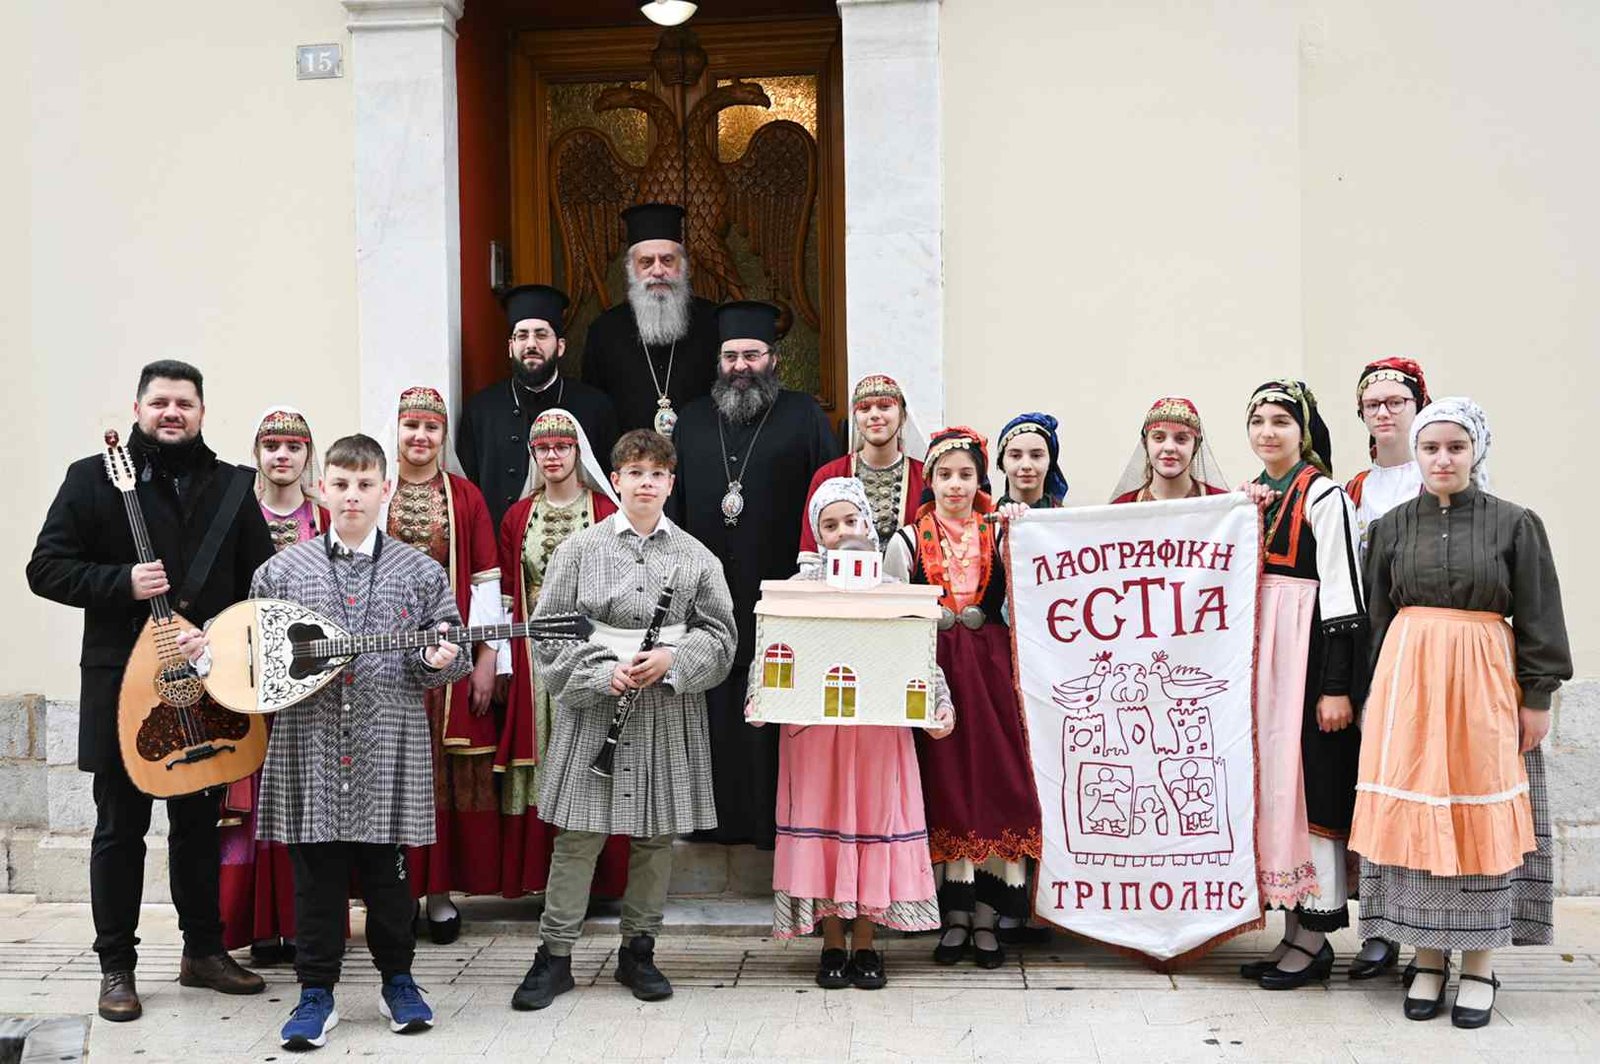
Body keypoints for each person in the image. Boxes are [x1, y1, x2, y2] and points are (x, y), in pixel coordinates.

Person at [187, 433, 472, 1050]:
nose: (352, 496)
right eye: (341, 484)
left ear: (385, 490)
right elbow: (250, 655)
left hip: (388, 746)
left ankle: (399, 983)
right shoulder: (279, 572)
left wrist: (440, 659)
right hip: (307, 746)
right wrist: (211, 656)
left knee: (390, 880)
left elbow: (453, 654)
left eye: (365, 485)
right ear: (322, 487)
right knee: (314, 881)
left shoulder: (421, 572)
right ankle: (316, 993)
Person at [26, 360, 273, 1022]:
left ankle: (204, 953)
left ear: (201, 412)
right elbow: (45, 568)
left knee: (198, 828)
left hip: (204, 680)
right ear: (137, 409)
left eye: (184, 403)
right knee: (119, 829)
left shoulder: (233, 487)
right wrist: (121, 583)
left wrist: (220, 638)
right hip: (123, 686)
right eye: (160, 401)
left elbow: (261, 584)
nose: (172, 412)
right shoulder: (91, 478)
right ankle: (117, 967)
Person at [1348, 398, 1570, 1028]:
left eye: (1455, 447)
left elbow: (1539, 612)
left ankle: (1478, 966)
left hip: (1484, 685)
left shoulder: (1515, 523)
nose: (1442, 459)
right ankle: (1426, 960)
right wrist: (1370, 696)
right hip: (1408, 686)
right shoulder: (1390, 526)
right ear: (1416, 454)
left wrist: (1537, 696)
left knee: (1478, 820)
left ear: (1476, 451)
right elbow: (1376, 618)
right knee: (1416, 816)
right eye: (1430, 448)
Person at [510, 429, 737, 1012]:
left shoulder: (697, 556)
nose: (645, 483)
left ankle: (639, 950)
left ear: (670, 483)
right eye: (634, 473)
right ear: (615, 480)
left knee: (654, 837)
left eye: (656, 474)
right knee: (578, 835)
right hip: (595, 706)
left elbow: (721, 637)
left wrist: (672, 659)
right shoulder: (577, 551)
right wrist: (598, 673)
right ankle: (554, 956)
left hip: (665, 706)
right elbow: (549, 631)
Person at [748, 477, 953, 989]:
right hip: (817, 739)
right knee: (826, 828)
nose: (842, 532)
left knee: (872, 828)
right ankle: (832, 942)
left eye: (850, 520)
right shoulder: (797, 591)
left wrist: (939, 704)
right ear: (817, 534)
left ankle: (865, 942)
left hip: (877, 736)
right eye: (830, 525)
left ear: (868, 523)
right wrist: (760, 696)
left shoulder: (893, 590)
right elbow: (772, 646)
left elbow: (919, 652)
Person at [670, 300, 841, 847]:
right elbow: (673, 511)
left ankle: (774, 825)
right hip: (707, 596)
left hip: (781, 591)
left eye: (752, 354)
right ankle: (709, 822)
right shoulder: (691, 420)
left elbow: (829, 502)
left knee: (774, 700)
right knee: (713, 702)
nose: (740, 365)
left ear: (773, 359)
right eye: (730, 356)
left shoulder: (804, 415)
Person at [884, 428, 1042, 970]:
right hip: (936, 671)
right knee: (946, 782)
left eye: (966, 475)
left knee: (995, 780)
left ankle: (988, 917)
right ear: (929, 479)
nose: (956, 484)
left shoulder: (1000, 531)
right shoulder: (906, 541)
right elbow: (893, 614)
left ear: (980, 480)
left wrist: (1022, 526)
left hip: (992, 671)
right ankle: (953, 914)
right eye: (945, 474)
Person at [1236, 380, 1368, 990]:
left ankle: (1315, 937)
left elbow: (1344, 597)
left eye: (1281, 422)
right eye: (1258, 421)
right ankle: (1293, 930)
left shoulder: (1324, 495)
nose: (1268, 432)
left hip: (1310, 658)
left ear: (1304, 431)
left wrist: (1336, 687)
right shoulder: (1257, 495)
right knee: (1279, 790)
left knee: (1312, 791)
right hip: (1270, 661)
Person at [385, 386, 505, 942]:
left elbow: (486, 581)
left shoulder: (465, 496)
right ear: (397, 429)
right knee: (390, 775)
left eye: (431, 427)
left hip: (448, 664)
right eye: (411, 425)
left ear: (443, 435)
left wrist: (487, 659)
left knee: (446, 778)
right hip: (385, 663)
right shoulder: (377, 490)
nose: (420, 436)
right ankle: (395, 894)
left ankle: (439, 895)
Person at [495, 408, 629, 900]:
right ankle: (541, 881)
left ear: (577, 451)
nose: (552, 455)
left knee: (592, 755)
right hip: (535, 659)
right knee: (543, 759)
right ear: (533, 454)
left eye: (562, 446)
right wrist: (503, 661)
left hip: (592, 653)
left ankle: (597, 884)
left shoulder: (607, 511)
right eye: (543, 448)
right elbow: (505, 597)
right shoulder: (517, 517)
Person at [218, 407, 333, 968]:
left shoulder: (327, 517)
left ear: (309, 454)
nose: (282, 455)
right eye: (271, 446)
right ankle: (260, 928)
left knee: (309, 796)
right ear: (257, 453)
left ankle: (307, 926)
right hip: (250, 679)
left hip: (314, 680)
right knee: (256, 800)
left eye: (293, 446)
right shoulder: (236, 515)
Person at [1342, 357, 1431, 981]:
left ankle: (1423, 926)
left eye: (1396, 401)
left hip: (1423, 646)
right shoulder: (1353, 489)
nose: (1384, 412)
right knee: (1371, 788)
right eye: (1373, 403)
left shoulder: (1438, 479)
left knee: (1417, 783)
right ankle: (1377, 926)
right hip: (1367, 647)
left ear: (1417, 406)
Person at [457, 283, 620, 527]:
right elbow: (467, 497)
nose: (531, 344)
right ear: (510, 347)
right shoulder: (480, 411)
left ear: (560, 346)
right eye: (522, 335)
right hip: (499, 545)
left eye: (541, 335)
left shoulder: (596, 407)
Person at [581, 203, 720, 437]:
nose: (657, 271)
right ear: (631, 269)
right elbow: (595, 416)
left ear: (684, 265)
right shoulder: (604, 332)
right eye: (646, 262)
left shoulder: (714, 322)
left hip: (703, 458)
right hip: (629, 459)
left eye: (667, 260)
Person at [796, 374, 926, 551]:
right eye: (864, 408)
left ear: (902, 416)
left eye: (885, 406)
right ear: (856, 419)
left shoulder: (925, 477)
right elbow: (812, 548)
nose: (874, 415)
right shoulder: (828, 476)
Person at [1109, 397, 1230, 503]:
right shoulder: (1122, 508)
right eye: (1158, 438)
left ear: (1196, 446)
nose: (1169, 448)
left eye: (1181, 439)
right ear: (1145, 443)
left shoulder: (1221, 504)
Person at [994, 412, 1069, 509]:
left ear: (1050, 462)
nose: (1026, 465)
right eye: (1015, 456)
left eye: (1036, 455)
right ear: (1002, 463)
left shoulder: (1064, 517)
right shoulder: (986, 517)